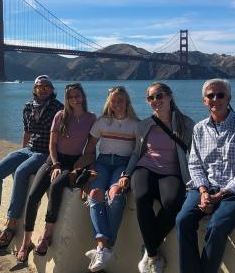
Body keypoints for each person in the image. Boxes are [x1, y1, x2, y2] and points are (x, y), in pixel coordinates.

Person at [0, 75, 63, 249]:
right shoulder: (27, 107)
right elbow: (27, 132)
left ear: (52, 89)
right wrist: (21, 152)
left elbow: (61, 136)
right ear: (34, 89)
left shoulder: (58, 109)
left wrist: (57, 160)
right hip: (28, 149)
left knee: (21, 173)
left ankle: (11, 225)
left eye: (46, 86)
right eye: (39, 86)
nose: (42, 89)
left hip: (44, 152)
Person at [176, 78, 235, 273]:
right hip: (206, 187)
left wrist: (220, 195)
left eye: (220, 94)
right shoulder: (199, 129)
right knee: (183, 220)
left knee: (217, 226)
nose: (215, 99)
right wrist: (204, 192)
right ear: (205, 101)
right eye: (210, 95)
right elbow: (194, 164)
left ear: (229, 98)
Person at [16, 83, 96, 263]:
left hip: (73, 162)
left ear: (83, 96)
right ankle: (25, 242)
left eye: (77, 95)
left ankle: (46, 235)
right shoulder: (60, 115)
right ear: (67, 100)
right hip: (54, 159)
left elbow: (90, 150)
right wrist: (55, 164)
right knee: (34, 194)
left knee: (56, 186)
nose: (74, 99)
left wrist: (78, 168)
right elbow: (52, 144)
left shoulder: (91, 118)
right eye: (70, 97)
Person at [119, 82, 194, 273]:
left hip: (172, 172)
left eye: (159, 96)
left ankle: (149, 249)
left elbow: (195, 155)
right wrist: (126, 174)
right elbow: (136, 153)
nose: (155, 101)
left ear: (169, 96)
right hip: (145, 168)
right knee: (142, 197)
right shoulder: (144, 125)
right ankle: (153, 256)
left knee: (173, 203)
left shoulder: (186, 124)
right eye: (151, 98)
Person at [83, 86, 140, 272]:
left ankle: (103, 247)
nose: (117, 104)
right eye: (113, 101)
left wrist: (127, 174)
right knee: (95, 193)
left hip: (123, 164)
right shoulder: (101, 122)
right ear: (109, 102)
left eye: (120, 100)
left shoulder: (136, 125)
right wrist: (89, 169)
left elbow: (137, 154)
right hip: (103, 162)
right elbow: (90, 148)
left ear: (127, 102)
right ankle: (104, 247)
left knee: (115, 194)